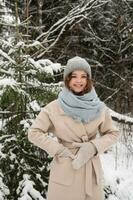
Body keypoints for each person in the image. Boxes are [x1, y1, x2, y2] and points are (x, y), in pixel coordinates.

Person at [28, 56, 119, 200]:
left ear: (88, 80)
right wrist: (58, 150)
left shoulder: (99, 107)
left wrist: (93, 147)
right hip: (66, 168)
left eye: (83, 76)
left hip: (91, 170)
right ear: (67, 80)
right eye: (74, 76)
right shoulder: (54, 107)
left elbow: (113, 133)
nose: (79, 81)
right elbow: (34, 132)